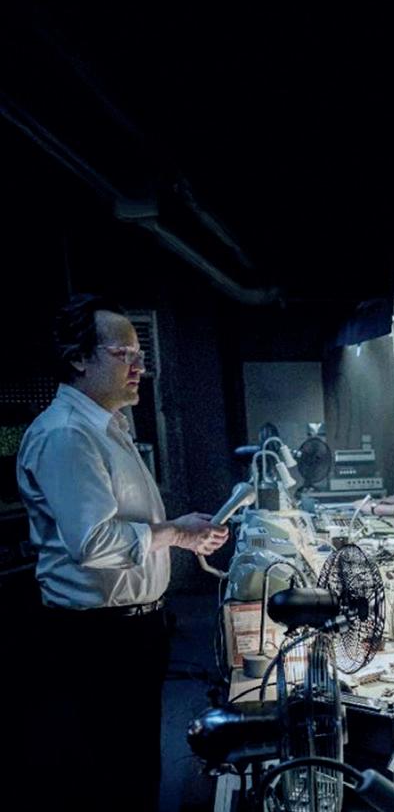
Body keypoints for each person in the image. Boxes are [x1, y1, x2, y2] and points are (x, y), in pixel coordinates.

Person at [16, 294, 229, 810]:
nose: (139, 367)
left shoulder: (109, 426)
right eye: (123, 354)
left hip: (131, 631)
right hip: (98, 639)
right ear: (78, 358)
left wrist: (179, 532)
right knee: (115, 778)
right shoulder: (68, 434)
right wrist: (175, 534)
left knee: (135, 767)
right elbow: (93, 543)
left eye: (140, 355)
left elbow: (132, 524)